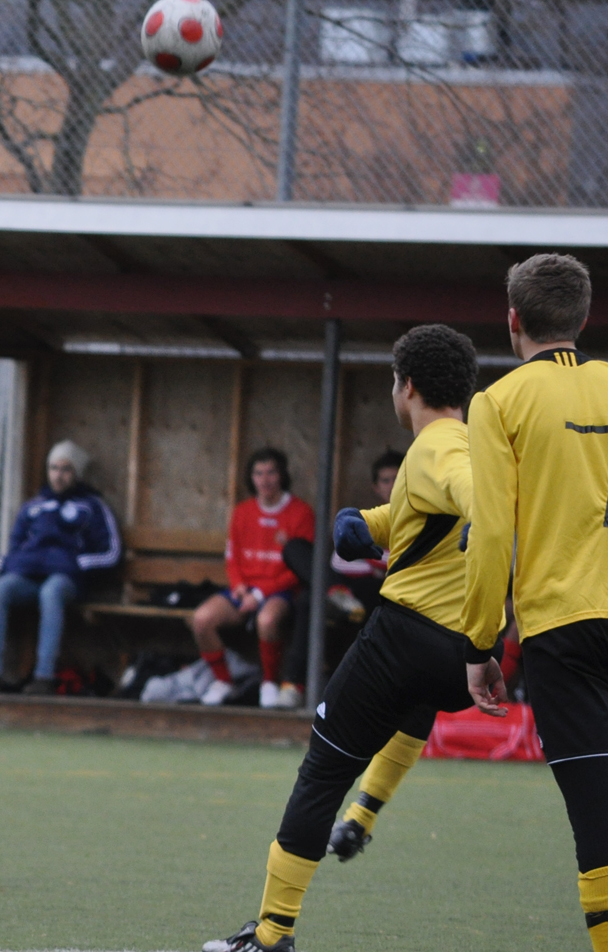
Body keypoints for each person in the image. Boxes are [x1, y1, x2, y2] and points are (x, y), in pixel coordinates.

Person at [205, 323, 482, 952]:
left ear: (407, 387)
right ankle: (363, 815)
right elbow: (432, 516)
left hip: (404, 636)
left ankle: (271, 935)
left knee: (320, 774)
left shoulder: (438, 447)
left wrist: (487, 520)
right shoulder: (465, 441)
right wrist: (367, 524)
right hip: (452, 652)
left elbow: (475, 497)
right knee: (414, 706)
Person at [462, 254, 608, 952]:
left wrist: (481, 642)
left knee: (592, 805)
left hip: (564, 628)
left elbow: (490, 534)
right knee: (606, 781)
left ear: (513, 320)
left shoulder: (498, 402)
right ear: (583, 319)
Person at [0, 440, 121, 695]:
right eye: (53, 468)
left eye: (66, 469)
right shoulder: (33, 506)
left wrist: (77, 564)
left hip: (66, 579)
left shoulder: (92, 507)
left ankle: (44, 677)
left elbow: (111, 552)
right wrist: (8, 564)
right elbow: (14, 545)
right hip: (29, 576)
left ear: (77, 473)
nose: (58, 475)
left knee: (50, 593)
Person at [275, 449, 401, 708]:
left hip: (377, 591)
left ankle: (293, 684)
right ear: (376, 487)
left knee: (309, 598)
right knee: (294, 548)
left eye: (397, 479)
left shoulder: (414, 516)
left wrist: (367, 556)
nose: (391, 486)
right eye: (386, 480)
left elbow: (399, 566)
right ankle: (336, 591)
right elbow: (337, 558)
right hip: (341, 582)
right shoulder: (371, 516)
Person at [189, 448, 314, 707]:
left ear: (282, 475)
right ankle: (224, 682)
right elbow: (232, 558)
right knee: (201, 619)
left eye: (271, 472)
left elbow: (301, 568)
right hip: (244, 592)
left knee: (267, 620)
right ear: (251, 478)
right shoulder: (242, 512)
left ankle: (269, 683)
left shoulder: (301, 513)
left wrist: (258, 595)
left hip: (281, 591)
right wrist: (240, 589)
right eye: (258, 473)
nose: (265, 480)